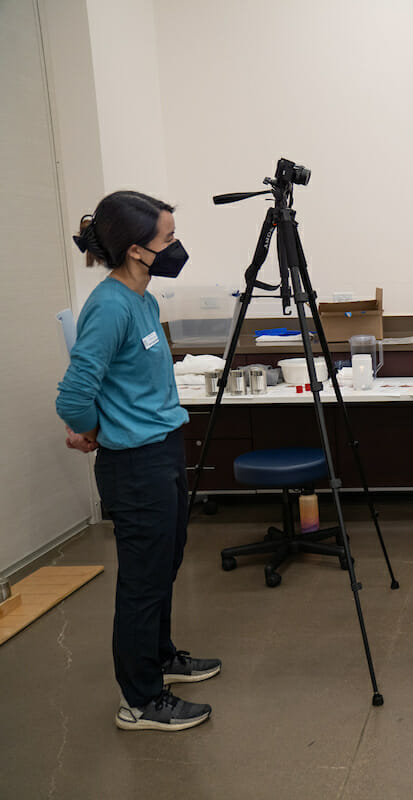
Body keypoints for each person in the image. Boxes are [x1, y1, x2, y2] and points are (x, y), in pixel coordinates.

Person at [57, 191, 220, 731]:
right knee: (142, 582)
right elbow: (75, 394)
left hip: (163, 451)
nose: (175, 247)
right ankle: (141, 700)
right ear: (135, 251)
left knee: (165, 564)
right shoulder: (108, 306)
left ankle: (161, 658)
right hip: (134, 465)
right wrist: (90, 430)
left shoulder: (143, 300)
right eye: (167, 239)